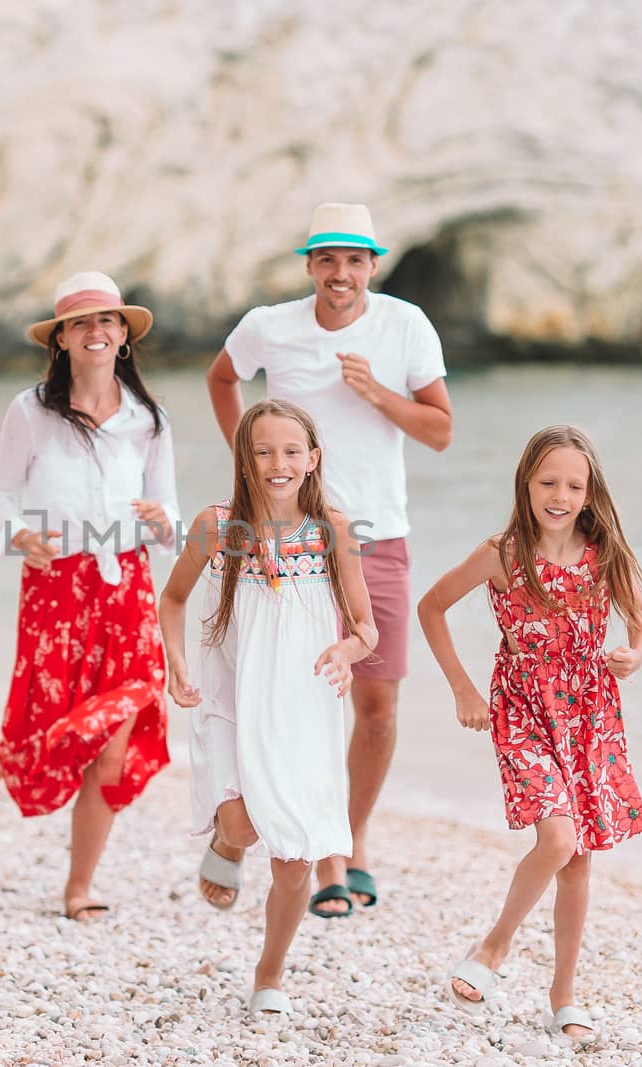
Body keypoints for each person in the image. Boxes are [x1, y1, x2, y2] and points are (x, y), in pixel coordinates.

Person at [206, 202, 452, 918]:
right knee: (290, 700)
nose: (340, 273)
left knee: (376, 705)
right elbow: (224, 379)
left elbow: (440, 430)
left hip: (378, 536)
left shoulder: (405, 325)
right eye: (326, 259)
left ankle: (352, 835)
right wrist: (244, 460)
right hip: (288, 543)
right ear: (309, 265)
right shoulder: (268, 326)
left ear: (373, 265)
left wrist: (378, 393)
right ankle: (314, 848)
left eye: (355, 260)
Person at [0, 271, 179, 923]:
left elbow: (169, 511)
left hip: (127, 586)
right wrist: (20, 535)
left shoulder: (149, 421)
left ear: (124, 336)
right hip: (55, 586)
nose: (96, 332)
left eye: (107, 321)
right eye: (81, 323)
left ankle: (80, 884)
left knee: (115, 733)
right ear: (62, 341)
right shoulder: (30, 412)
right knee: (55, 726)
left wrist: (166, 525)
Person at [416, 424, 642, 1043]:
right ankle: (495, 946)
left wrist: (637, 651)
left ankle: (563, 994)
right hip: (521, 707)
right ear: (525, 483)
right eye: (548, 481)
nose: (560, 494)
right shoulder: (505, 553)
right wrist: (463, 689)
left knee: (578, 862)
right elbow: (431, 607)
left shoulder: (605, 552)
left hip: (590, 715)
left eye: (574, 484)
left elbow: (639, 613)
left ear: (589, 490)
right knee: (556, 838)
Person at [158, 398, 378, 1015]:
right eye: (262, 451)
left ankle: (269, 974)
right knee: (243, 824)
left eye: (290, 451)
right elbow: (172, 598)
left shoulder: (333, 528)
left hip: (303, 708)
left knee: (293, 858)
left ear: (313, 459)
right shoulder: (217, 524)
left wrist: (346, 650)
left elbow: (367, 626)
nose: (276, 463)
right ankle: (227, 846)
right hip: (232, 697)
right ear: (244, 458)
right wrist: (176, 663)